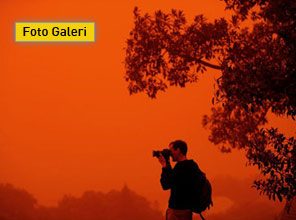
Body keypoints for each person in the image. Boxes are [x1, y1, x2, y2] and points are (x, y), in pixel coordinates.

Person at [158, 140, 201, 220]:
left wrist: (164, 166)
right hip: (187, 211)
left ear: (178, 150)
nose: (170, 154)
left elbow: (165, 184)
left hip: (175, 211)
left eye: (171, 151)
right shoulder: (193, 166)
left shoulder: (179, 168)